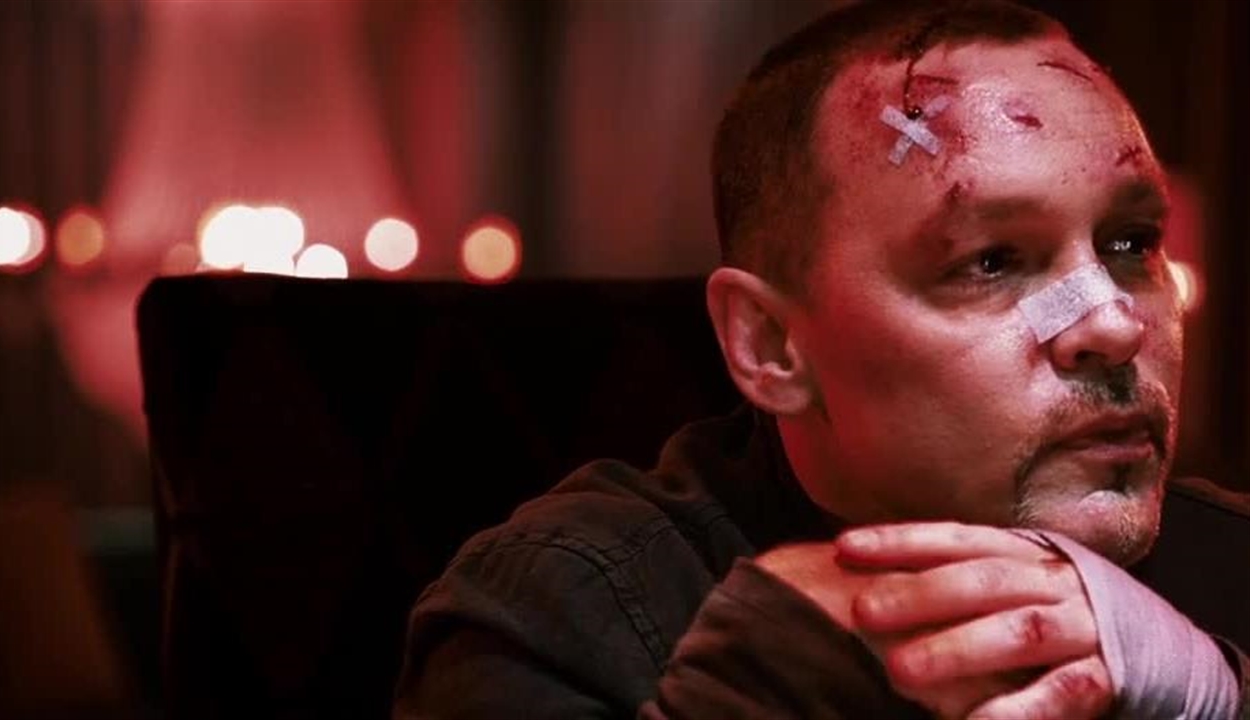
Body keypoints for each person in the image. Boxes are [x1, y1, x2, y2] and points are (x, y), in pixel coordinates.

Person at [393, 1, 1250, 717]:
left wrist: (1221, 693)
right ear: (770, 345)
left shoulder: (1233, 565)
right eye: (991, 261)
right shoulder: (571, 614)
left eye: (1132, 242)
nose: (1114, 324)